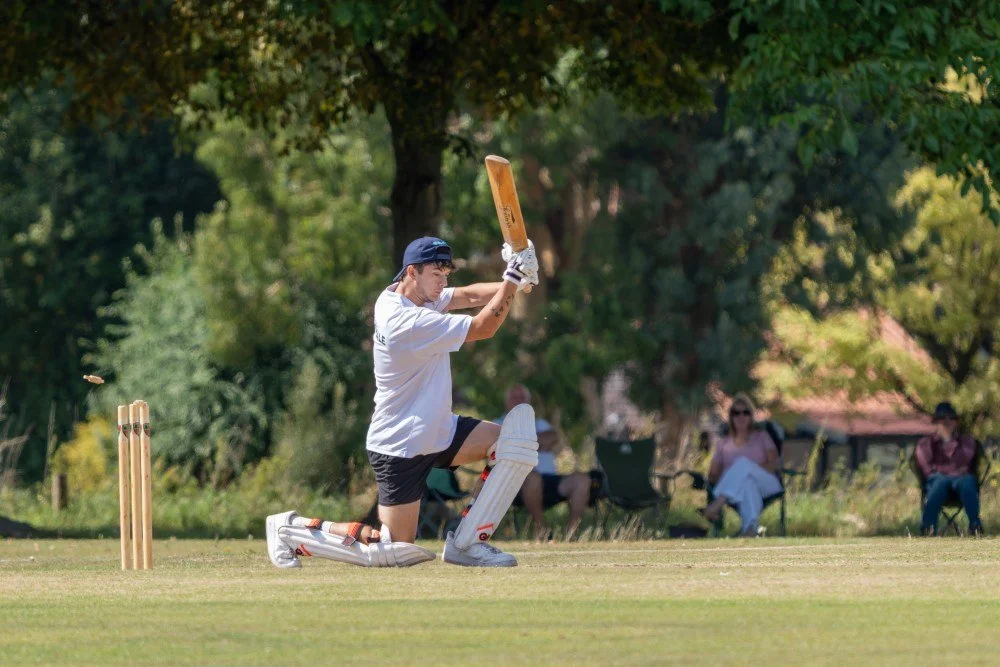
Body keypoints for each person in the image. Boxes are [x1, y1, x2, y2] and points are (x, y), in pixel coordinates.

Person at [266, 235, 540, 568]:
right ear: (412, 272)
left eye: (446, 273)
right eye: (436, 274)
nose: (443, 282)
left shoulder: (406, 296)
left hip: (439, 430)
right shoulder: (407, 322)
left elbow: (467, 295)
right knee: (390, 550)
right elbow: (485, 326)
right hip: (399, 445)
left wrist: (518, 281)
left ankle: (467, 544)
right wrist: (511, 279)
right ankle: (290, 530)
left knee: (513, 443)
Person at [500, 385, 598, 540]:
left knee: (582, 479)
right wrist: (538, 441)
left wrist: (519, 442)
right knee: (532, 478)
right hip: (517, 484)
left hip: (550, 481)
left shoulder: (540, 423)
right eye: (515, 398)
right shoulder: (497, 424)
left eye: (522, 398)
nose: (519, 402)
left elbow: (553, 438)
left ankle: (571, 534)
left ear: (529, 402)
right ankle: (542, 532)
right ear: (506, 402)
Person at [698, 393, 782, 536]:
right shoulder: (723, 443)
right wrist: (739, 476)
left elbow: (773, 464)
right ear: (731, 416)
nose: (741, 416)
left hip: (767, 483)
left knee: (743, 465)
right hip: (737, 488)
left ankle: (716, 505)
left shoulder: (762, 436)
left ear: (751, 416)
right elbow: (713, 474)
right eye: (736, 413)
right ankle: (750, 529)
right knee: (747, 484)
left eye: (746, 412)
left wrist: (749, 469)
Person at [914, 401, 983, 536]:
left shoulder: (967, 442)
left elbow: (965, 463)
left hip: (961, 485)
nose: (947, 422)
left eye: (950, 418)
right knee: (940, 481)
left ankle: (975, 526)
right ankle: (928, 527)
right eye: (942, 418)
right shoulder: (926, 444)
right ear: (936, 421)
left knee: (968, 480)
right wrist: (950, 472)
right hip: (937, 485)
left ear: (956, 422)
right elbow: (927, 470)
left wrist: (949, 441)